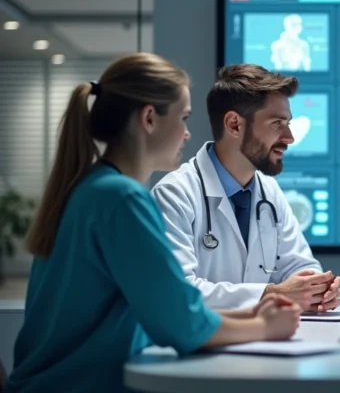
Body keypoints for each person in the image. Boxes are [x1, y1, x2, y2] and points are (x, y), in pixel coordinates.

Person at [7, 53, 302, 393]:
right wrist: (265, 328)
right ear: (149, 118)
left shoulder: (92, 188)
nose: (189, 134)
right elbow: (182, 326)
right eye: (184, 118)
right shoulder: (122, 199)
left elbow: (169, 310)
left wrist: (254, 315)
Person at [151, 64, 340, 311]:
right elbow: (177, 290)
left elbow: (298, 267)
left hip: (265, 339)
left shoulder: (270, 192)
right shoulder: (175, 194)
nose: (289, 137)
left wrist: (319, 289)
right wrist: (268, 294)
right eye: (277, 123)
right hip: (204, 347)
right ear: (234, 124)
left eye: (288, 123)